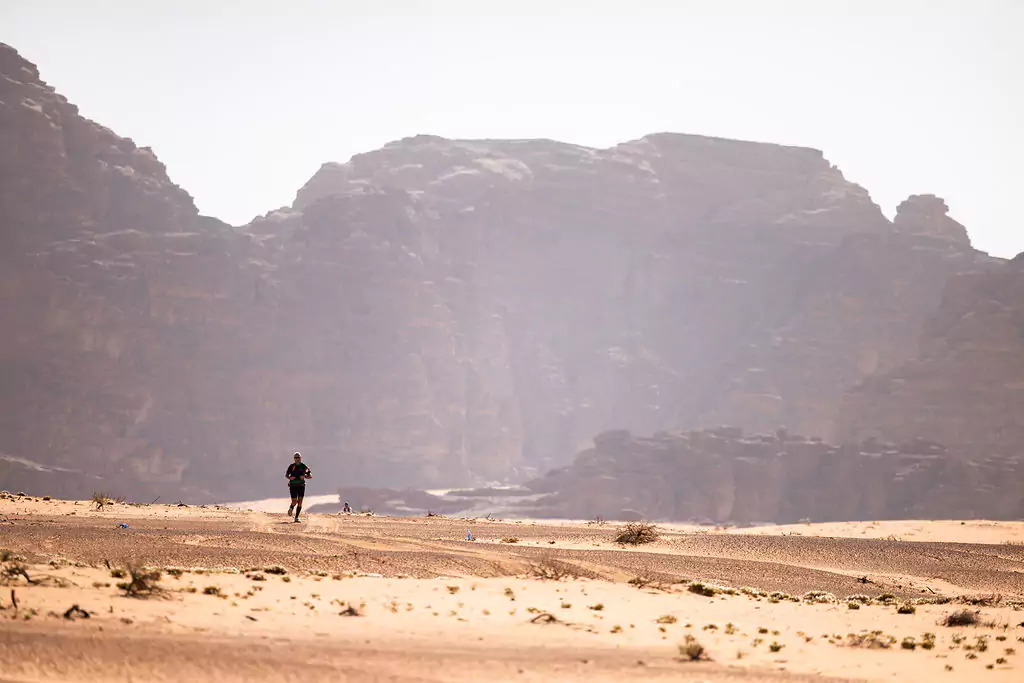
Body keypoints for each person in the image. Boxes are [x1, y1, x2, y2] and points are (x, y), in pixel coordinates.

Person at [285, 452, 312, 522]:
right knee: (294, 501)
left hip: (301, 486)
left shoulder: (303, 466)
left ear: (301, 458)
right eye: (295, 458)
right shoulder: (291, 466)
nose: (297, 459)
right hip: (293, 485)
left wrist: (305, 476)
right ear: (294, 459)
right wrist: (290, 478)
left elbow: (310, 475)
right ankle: (291, 508)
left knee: (300, 502)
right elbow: (287, 475)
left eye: (298, 458)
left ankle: (296, 517)